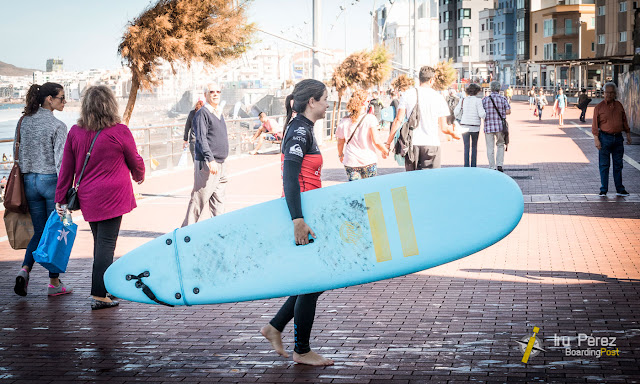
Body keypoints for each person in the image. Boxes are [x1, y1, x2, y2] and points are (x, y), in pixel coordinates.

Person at [260, 79, 334, 366]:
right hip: (302, 214)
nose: (329, 103)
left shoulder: (302, 127)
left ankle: (275, 327)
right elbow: (289, 177)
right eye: (326, 99)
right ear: (312, 101)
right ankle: (301, 350)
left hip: (307, 211)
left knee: (313, 281)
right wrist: (298, 219)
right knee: (313, 280)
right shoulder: (300, 129)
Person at [55, 85, 145, 310]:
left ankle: (105, 289)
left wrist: (60, 199)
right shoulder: (119, 131)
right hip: (113, 197)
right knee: (106, 245)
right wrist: (139, 175)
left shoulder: (75, 132)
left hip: (89, 197)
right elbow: (134, 159)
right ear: (110, 105)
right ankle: (99, 294)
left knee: (101, 244)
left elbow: (66, 169)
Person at [13, 82, 70, 298]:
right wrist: (64, 192)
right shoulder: (58, 126)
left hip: (29, 182)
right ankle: (54, 283)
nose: (64, 102)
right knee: (54, 231)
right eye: (61, 98)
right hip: (50, 181)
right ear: (49, 99)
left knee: (39, 232)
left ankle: (24, 270)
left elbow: (16, 155)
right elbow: (61, 163)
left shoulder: (23, 122)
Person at [384, 66, 457, 171]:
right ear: (432, 80)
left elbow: (397, 120)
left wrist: (388, 143)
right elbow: (444, 128)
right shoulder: (438, 97)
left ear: (419, 79)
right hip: (432, 144)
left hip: (412, 144)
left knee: (412, 180)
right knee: (431, 181)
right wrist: (454, 134)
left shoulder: (408, 94)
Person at [182, 83, 229, 227]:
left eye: (218, 91)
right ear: (206, 95)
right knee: (198, 199)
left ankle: (218, 229)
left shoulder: (218, 112)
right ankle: (186, 231)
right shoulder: (202, 113)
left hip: (222, 164)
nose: (215, 94)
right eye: (212, 92)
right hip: (209, 164)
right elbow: (201, 138)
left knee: (219, 201)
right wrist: (210, 159)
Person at [336, 89, 388, 180]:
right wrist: (384, 150)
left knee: (356, 191)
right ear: (364, 103)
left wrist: (340, 155)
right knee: (370, 191)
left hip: (351, 161)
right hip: (368, 160)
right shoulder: (370, 119)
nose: (369, 103)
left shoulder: (344, 121)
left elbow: (340, 142)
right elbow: (376, 141)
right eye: (368, 101)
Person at [592, 82, 632, 197]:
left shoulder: (619, 105)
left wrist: (628, 135)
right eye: (606, 92)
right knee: (604, 165)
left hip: (618, 139)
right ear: (603, 93)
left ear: (615, 93)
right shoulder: (598, 107)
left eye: (611, 93)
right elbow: (595, 126)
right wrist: (596, 139)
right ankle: (603, 189)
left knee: (618, 165)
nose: (609, 95)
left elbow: (624, 120)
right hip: (604, 138)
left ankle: (620, 189)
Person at [454, 83, 487, 167]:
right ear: (477, 92)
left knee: (466, 146)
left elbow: (456, 112)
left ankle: (466, 165)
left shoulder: (463, 100)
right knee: (474, 146)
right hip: (475, 126)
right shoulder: (478, 101)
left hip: (464, 125)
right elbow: (482, 114)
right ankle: (473, 165)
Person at [482, 81, 511, 172]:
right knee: (500, 145)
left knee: (490, 147)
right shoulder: (503, 98)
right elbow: (508, 111)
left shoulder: (485, 100)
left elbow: (481, 112)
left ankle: (492, 166)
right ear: (499, 88)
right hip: (500, 126)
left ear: (491, 88)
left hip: (488, 126)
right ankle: (499, 164)